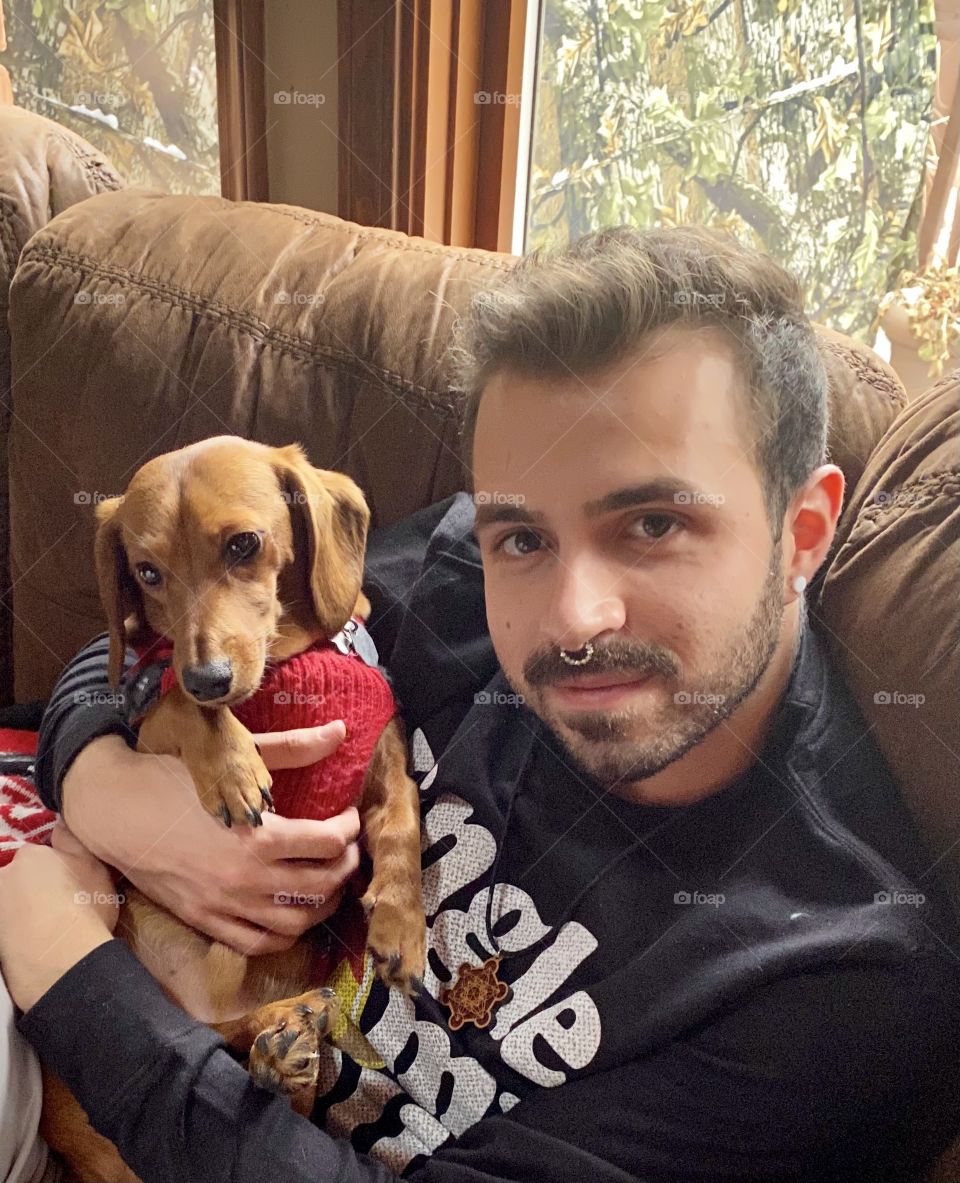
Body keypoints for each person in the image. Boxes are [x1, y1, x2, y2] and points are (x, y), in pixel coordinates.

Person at [2, 224, 959, 1183]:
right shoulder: (458, 568)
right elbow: (143, 654)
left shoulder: (841, 991)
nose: (576, 618)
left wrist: (66, 969)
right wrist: (105, 784)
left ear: (802, 534)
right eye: (524, 538)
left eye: (654, 523)